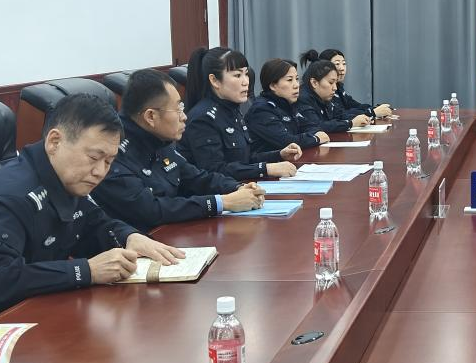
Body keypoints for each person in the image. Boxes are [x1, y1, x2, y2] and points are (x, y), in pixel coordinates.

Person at [0, 94, 184, 327]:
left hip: (2, 319)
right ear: (55, 141)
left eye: (109, 161)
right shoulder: (12, 197)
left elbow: (93, 223)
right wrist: (86, 271)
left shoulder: (62, 178)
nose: (100, 171)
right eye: (94, 157)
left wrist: (129, 237)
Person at [93, 69, 267, 230]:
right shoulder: (113, 152)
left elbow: (196, 178)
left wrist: (238, 188)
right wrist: (222, 202)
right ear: (151, 116)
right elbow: (150, 210)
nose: (184, 117)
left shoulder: (158, 140)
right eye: (178, 109)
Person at [178, 46, 302, 180]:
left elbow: (244, 159)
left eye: (246, 74)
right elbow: (215, 171)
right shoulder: (203, 118)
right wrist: (265, 169)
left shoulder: (232, 110)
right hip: (223, 191)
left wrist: (279, 155)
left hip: (242, 186)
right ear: (214, 80)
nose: (246, 82)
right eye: (237, 75)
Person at [248, 58, 329, 153]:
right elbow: (286, 142)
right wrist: (316, 138)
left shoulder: (287, 104)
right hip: (271, 161)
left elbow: (311, 126)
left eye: (297, 79)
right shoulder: (261, 110)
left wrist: (316, 134)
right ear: (273, 85)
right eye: (290, 80)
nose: (296, 85)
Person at [312, 48, 394, 119]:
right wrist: (372, 112)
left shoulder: (339, 87)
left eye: (344, 64)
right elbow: (340, 114)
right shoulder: (324, 91)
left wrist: (375, 108)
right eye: (337, 64)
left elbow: (354, 105)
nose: (342, 68)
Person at [297, 56, 371, 134]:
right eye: (331, 83)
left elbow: (340, 115)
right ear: (314, 83)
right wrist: (351, 123)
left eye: (336, 83)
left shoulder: (323, 97)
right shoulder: (303, 99)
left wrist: (363, 117)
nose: (335, 88)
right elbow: (318, 126)